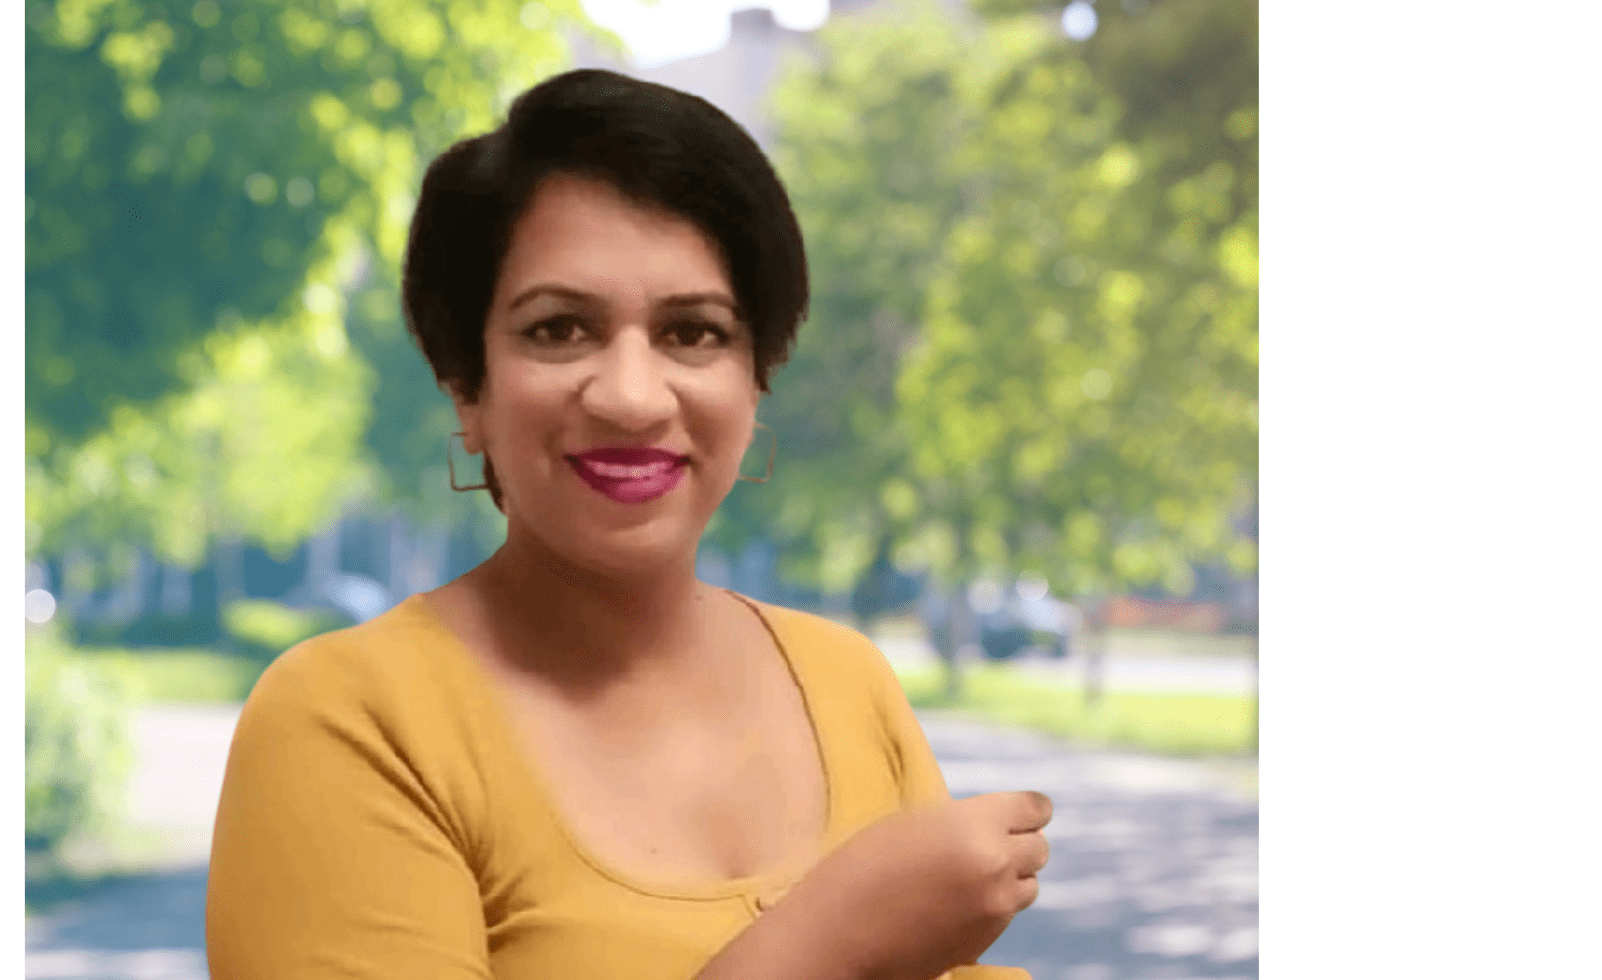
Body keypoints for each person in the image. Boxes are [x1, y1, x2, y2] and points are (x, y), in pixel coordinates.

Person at [205, 69, 1050, 980]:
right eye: (560, 329)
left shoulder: (848, 683)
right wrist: (826, 943)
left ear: (755, 383)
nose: (632, 396)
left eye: (695, 334)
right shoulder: (353, 718)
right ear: (467, 389)